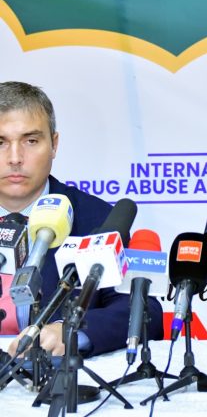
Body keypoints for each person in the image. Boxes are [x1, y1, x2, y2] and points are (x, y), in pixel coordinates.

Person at [0, 81, 164, 357]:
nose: (15, 158)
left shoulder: (98, 219)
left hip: (49, 373)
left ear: (54, 145)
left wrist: (70, 332)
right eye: (0, 142)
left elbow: (144, 311)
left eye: (31, 141)